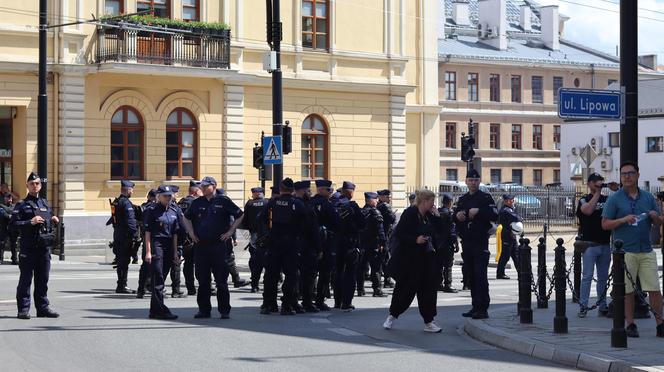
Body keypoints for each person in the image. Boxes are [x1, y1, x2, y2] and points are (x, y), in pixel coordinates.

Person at [601, 162, 663, 338]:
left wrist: (655, 216)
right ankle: (631, 324)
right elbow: (605, 224)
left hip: (646, 249)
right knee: (627, 290)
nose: (627, 176)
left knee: (654, 289)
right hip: (625, 251)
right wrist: (622, 220)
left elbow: (659, 222)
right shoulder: (615, 199)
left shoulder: (648, 197)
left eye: (630, 173)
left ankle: (660, 323)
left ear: (638, 175)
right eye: (623, 174)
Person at [183, 176, 244, 319]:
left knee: (221, 281)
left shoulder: (223, 201)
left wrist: (230, 232)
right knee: (203, 281)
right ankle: (204, 310)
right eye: (201, 187)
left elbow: (240, 215)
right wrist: (191, 232)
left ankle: (224, 310)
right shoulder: (197, 202)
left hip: (219, 246)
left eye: (206, 186)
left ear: (214, 186)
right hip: (201, 246)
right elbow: (186, 217)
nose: (202, 189)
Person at [383, 189, 442, 333]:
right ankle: (392, 316)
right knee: (405, 289)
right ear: (424, 201)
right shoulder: (410, 213)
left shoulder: (429, 215)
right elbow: (400, 234)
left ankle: (429, 321)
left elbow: (440, 230)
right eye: (431, 201)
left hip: (427, 258)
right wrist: (415, 239)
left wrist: (437, 217)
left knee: (428, 291)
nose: (433, 204)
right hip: (410, 259)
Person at [260, 178, 311, 315]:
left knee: (271, 275)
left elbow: (262, 219)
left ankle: (268, 304)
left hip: (274, 243)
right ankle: (287, 305)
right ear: (293, 190)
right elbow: (306, 224)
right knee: (291, 275)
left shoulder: (272, 203)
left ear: (281, 190)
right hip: (291, 243)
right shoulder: (297, 204)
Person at [13, 172, 60, 319]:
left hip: (44, 249)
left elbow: (48, 223)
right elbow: (13, 225)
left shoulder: (45, 203)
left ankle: (42, 308)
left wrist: (52, 219)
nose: (35, 186)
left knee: (43, 279)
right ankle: (23, 309)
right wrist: (30, 222)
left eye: (37, 183)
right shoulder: (21, 205)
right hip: (28, 248)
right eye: (32, 183)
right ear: (27, 186)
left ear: (40, 185)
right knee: (26, 280)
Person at [454, 169, 498, 320]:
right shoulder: (463, 199)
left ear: (479, 181)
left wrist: (479, 211)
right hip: (467, 242)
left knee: (480, 276)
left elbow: (494, 215)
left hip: (480, 242)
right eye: (470, 180)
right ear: (466, 181)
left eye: (475, 180)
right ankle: (475, 305)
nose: (473, 183)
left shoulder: (485, 198)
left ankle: (483, 308)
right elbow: (456, 216)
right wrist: (457, 215)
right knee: (470, 276)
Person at [577, 173, 614, 318]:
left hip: (605, 244)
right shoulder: (583, 199)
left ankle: (602, 305)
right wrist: (597, 193)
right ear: (589, 184)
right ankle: (583, 306)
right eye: (595, 182)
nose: (598, 184)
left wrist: (615, 190)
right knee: (587, 276)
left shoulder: (608, 200)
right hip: (589, 245)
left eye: (600, 182)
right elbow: (588, 210)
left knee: (603, 277)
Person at [142, 185, 179, 320]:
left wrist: (175, 252)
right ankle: (161, 310)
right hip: (157, 244)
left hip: (169, 245)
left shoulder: (174, 211)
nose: (168, 198)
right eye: (165, 195)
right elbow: (147, 233)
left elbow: (175, 233)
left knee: (162, 276)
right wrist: (148, 251)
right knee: (158, 277)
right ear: (159, 196)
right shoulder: (151, 211)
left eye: (170, 195)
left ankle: (154, 310)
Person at [333, 181, 366, 312]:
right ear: (351, 192)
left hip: (336, 243)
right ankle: (346, 302)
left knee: (337, 272)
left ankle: (337, 301)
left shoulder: (333, 203)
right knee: (350, 273)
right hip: (350, 243)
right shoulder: (352, 205)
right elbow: (362, 223)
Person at [310, 179, 339, 311]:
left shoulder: (310, 203)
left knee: (310, 272)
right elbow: (336, 222)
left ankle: (308, 298)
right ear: (321, 189)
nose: (331, 192)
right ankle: (320, 300)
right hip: (326, 242)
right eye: (329, 190)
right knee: (324, 273)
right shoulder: (327, 204)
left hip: (311, 242)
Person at [294, 180, 321, 313]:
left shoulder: (291, 204)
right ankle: (307, 302)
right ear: (303, 191)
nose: (310, 193)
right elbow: (313, 229)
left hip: (291, 244)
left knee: (293, 274)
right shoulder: (306, 207)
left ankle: (293, 302)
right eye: (308, 191)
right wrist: (318, 247)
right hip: (306, 246)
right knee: (308, 276)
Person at [109, 180, 139, 294]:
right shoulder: (126, 203)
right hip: (125, 236)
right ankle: (122, 285)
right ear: (128, 189)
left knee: (121, 261)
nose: (133, 191)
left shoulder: (117, 201)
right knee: (124, 261)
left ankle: (121, 284)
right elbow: (131, 221)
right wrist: (135, 234)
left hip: (118, 234)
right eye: (132, 189)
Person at [357, 192, 387, 297]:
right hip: (374, 244)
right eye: (375, 199)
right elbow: (380, 230)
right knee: (376, 268)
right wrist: (383, 243)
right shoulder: (375, 212)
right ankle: (377, 289)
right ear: (371, 200)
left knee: (361, 268)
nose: (377, 201)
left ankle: (360, 289)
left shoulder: (360, 212)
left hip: (362, 244)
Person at [178, 180, 202, 295]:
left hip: (182, 238)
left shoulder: (181, 202)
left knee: (187, 263)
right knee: (199, 263)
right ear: (197, 191)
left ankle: (190, 287)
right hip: (194, 237)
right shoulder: (196, 203)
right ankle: (204, 286)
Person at [243, 187, 268, 293]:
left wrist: (248, 236)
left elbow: (245, 221)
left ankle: (254, 285)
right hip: (267, 235)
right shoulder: (267, 202)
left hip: (254, 235)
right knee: (268, 261)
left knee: (255, 261)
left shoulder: (249, 204)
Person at [496, 194, 522, 280]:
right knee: (505, 255)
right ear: (507, 201)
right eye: (511, 200)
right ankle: (500, 273)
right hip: (507, 235)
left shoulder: (509, 209)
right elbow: (517, 218)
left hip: (511, 235)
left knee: (516, 254)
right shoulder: (506, 210)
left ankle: (521, 273)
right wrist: (519, 218)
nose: (513, 201)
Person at [136, 189, 157, 299]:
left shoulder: (144, 207)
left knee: (145, 266)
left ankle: (141, 289)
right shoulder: (153, 209)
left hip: (146, 239)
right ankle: (152, 288)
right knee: (155, 266)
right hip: (153, 240)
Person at [436, 193, 458, 293]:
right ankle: (448, 284)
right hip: (447, 243)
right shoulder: (450, 214)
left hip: (438, 243)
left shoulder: (438, 212)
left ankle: (438, 283)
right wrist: (455, 243)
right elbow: (452, 231)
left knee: (439, 264)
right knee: (448, 265)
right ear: (450, 202)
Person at [377, 189, 396, 289]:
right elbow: (392, 218)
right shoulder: (385, 206)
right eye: (387, 197)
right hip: (385, 235)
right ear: (381, 197)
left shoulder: (378, 206)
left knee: (383, 259)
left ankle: (386, 280)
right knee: (385, 259)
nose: (389, 198)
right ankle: (387, 280)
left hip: (382, 235)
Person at [1, 192, 19, 264]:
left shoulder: (15, 206)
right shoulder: (1, 206)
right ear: (4, 198)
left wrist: (11, 215)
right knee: (2, 244)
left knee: (14, 244)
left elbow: (17, 215)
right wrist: (11, 215)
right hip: (4, 227)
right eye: (7, 197)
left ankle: (14, 259)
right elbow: (3, 215)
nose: (9, 199)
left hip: (13, 228)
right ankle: (0, 259)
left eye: (10, 197)